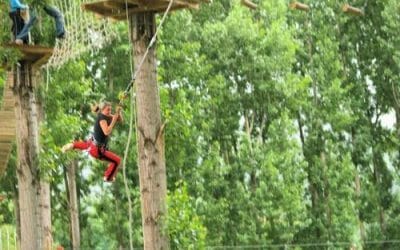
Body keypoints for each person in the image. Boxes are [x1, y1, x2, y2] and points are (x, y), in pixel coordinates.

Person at [62, 101, 123, 182]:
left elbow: (120, 119)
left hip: (92, 144)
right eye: (108, 110)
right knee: (117, 161)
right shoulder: (102, 119)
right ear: (103, 110)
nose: (110, 111)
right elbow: (107, 131)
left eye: (111, 110)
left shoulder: (106, 116)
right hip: (98, 150)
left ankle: (72, 145)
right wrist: (113, 120)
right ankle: (108, 177)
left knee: (86, 145)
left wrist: (119, 112)